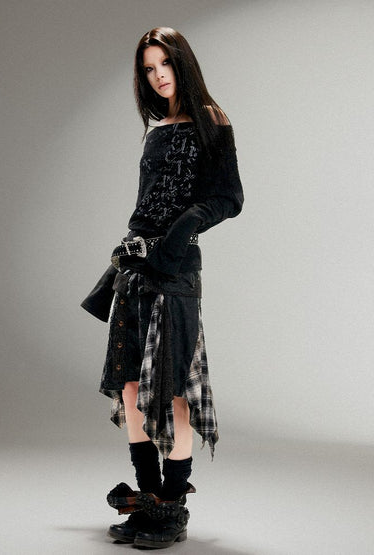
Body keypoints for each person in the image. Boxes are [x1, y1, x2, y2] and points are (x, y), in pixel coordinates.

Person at [80, 26, 244, 549]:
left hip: (175, 272)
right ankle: (149, 499)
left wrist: (179, 234)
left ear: (183, 63)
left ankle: (172, 508)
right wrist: (129, 248)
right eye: (148, 69)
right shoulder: (156, 129)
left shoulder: (212, 120)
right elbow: (146, 202)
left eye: (165, 64)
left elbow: (229, 197)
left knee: (172, 389)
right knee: (131, 386)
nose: (158, 76)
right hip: (135, 272)